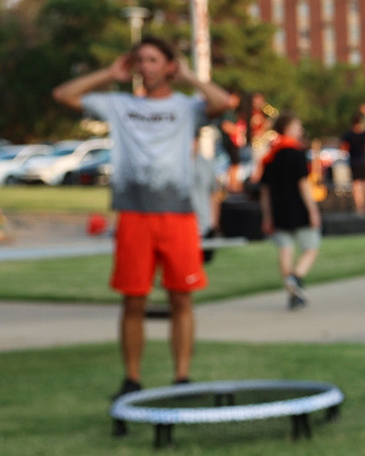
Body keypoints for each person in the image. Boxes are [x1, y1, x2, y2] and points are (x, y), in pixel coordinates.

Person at [52, 37, 236, 418]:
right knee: (132, 299)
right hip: (134, 214)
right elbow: (63, 95)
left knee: (181, 299)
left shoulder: (186, 107)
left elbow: (223, 103)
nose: (145, 67)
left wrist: (189, 76)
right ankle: (132, 378)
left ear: (169, 65)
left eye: (153, 60)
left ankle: (182, 377)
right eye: (140, 61)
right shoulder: (120, 105)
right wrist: (109, 73)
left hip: (178, 215)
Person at [255, 113, 321, 310]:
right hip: (298, 208)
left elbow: (264, 191)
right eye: (297, 125)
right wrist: (313, 210)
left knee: (285, 249)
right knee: (310, 247)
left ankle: (292, 293)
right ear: (289, 128)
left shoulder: (270, 157)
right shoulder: (297, 154)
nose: (300, 130)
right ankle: (296, 277)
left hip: (278, 210)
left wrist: (267, 215)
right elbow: (303, 184)